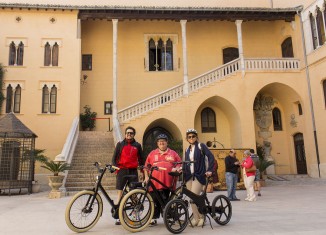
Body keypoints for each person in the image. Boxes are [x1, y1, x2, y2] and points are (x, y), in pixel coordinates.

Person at [144, 134, 182, 226]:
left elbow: (179, 163)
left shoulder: (173, 153)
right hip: (154, 183)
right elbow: (146, 166)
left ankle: (168, 217)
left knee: (167, 201)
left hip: (168, 183)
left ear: (167, 142)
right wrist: (146, 177)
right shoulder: (152, 154)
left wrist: (177, 168)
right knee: (154, 201)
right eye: (159, 141)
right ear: (157, 143)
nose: (161, 143)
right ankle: (153, 218)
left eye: (163, 141)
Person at [112, 126, 144, 225]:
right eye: (127, 133)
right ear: (125, 134)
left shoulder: (137, 145)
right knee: (120, 194)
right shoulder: (120, 144)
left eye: (131, 133)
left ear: (134, 134)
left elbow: (141, 159)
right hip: (122, 171)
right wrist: (115, 168)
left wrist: (142, 171)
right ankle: (118, 216)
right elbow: (114, 158)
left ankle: (136, 213)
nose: (129, 134)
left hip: (133, 172)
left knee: (133, 193)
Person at [184, 129, 214, 227]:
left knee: (193, 198)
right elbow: (186, 163)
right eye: (189, 137)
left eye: (193, 136)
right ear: (187, 138)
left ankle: (201, 217)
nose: (191, 138)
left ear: (196, 137)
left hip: (199, 175)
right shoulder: (187, 149)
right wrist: (181, 169)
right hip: (189, 176)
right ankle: (196, 218)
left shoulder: (201, 146)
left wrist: (209, 170)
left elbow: (211, 157)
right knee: (190, 199)